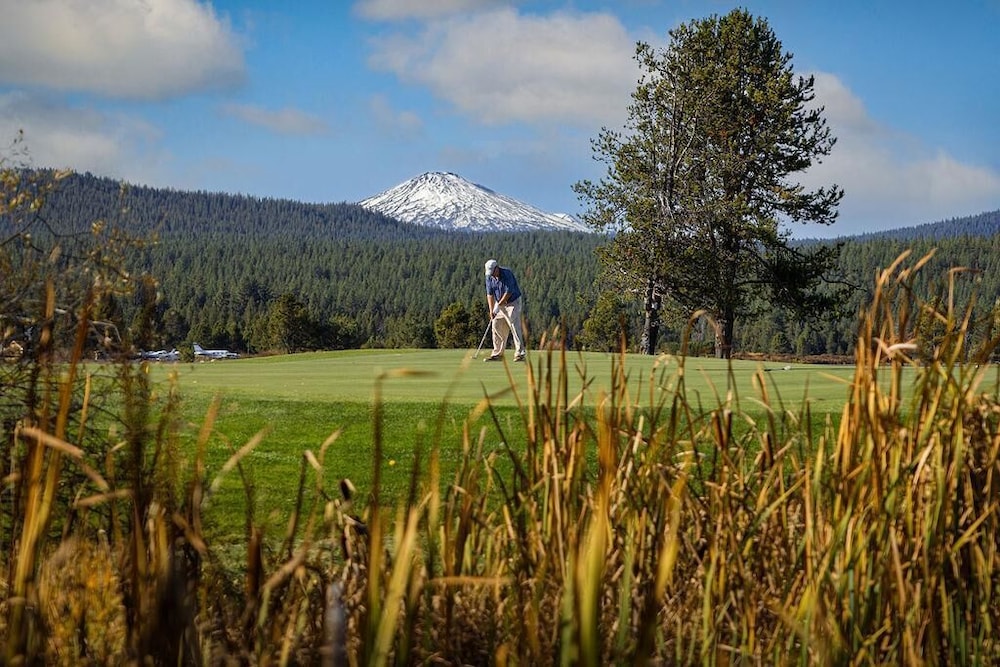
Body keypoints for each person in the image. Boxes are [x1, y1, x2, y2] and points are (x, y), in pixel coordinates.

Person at [483, 258, 526, 362]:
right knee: (496, 324)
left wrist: (498, 305)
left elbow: (508, 292)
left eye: (493, 272)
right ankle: (498, 353)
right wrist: (491, 310)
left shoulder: (507, 274)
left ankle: (520, 353)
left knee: (513, 325)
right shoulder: (489, 277)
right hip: (499, 303)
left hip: (513, 302)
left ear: (497, 268)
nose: (492, 275)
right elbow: (489, 294)